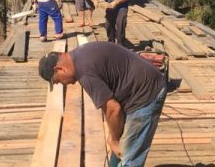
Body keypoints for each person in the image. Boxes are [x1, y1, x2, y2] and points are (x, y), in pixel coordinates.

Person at [38, 41, 166, 166]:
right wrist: (114, 135)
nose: (64, 84)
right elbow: (110, 107)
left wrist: (114, 139)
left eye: (58, 81)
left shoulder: (85, 73)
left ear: (60, 69)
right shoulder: (79, 54)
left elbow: (113, 109)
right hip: (135, 88)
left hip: (145, 95)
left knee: (130, 157)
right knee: (119, 144)